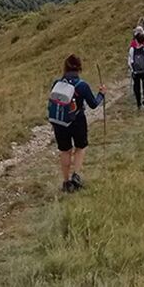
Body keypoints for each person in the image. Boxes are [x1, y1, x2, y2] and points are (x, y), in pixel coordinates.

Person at [48, 54, 106, 193]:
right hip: (77, 120)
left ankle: (66, 182)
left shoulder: (57, 83)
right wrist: (101, 94)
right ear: (79, 68)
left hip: (59, 122)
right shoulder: (82, 85)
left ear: (65, 67)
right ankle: (76, 176)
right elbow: (93, 104)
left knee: (65, 150)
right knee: (80, 147)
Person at [128, 32, 144, 111]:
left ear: (136, 40)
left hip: (135, 72)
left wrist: (132, 70)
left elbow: (130, 62)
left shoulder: (132, 50)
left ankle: (138, 104)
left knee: (136, 87)